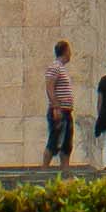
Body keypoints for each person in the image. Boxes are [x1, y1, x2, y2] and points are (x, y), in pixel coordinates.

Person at [43, 38, 74, 173]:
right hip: (59, 111)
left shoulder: (61, 68)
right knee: (54, 140)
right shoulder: (55, 67)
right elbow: (49, 86)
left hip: (66, 111)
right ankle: (44, 170)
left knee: (67, 143)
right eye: (69, 51)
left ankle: (65, 170)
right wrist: (56, 107)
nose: (70, 54)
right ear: (65, 51)